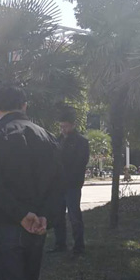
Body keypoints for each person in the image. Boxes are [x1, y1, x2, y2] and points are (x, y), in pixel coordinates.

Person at [0, 86, 61, 280]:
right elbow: (57, 184)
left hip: (5, 223)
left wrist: (21, 215)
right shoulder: (47, 136)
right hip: (37, 226)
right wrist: (46, 216)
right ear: (24, 106)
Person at [48, 107, 89, 257]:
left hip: (72, 184)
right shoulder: (58, 140)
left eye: (65, 126)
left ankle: (79, 245)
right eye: (61, 126)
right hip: (58, 185)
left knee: (74, 216)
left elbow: (80, 162)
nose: (63, 129)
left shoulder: (81, 142)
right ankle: (60, 244)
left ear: (72, 125)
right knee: (58, 216)